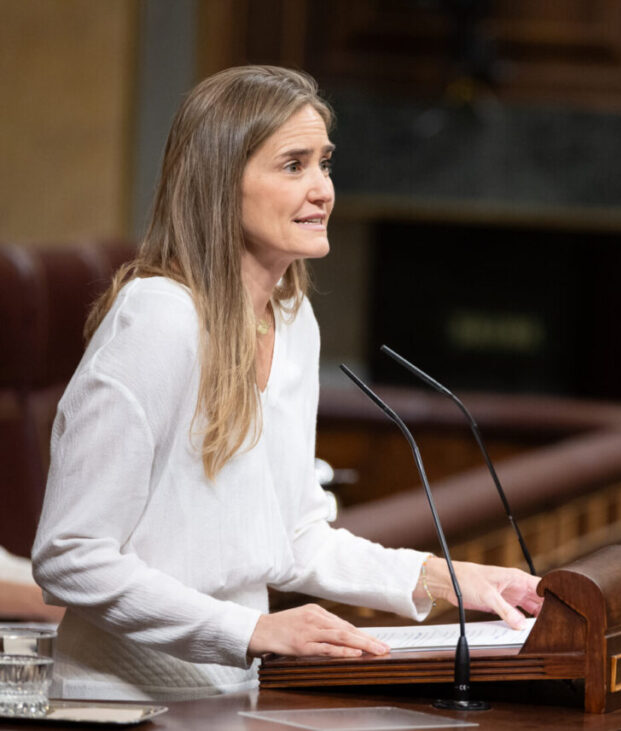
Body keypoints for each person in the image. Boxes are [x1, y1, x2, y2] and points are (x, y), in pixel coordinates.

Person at [31, 65, 541, 702]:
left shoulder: (294, 319)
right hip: (122, 700)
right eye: (293, 165)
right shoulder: (158, 320)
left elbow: (296, 536)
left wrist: (448, 580)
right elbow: (70, 556)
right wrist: (251, 630)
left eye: (324, 163)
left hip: (234, 692)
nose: (323, 189)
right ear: (220, 182)